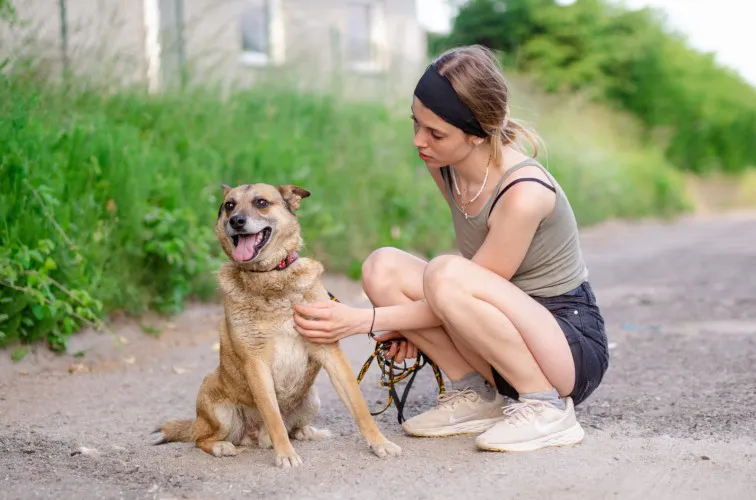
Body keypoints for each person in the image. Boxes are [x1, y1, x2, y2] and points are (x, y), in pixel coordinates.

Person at [293, 44, 609, 453]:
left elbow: (462, 286)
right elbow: (465, 297)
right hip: (502, 326)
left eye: (435, 133)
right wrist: (410, 324)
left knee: (446, 271)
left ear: (478, 134)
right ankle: (477, 395)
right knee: (382, 267)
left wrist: (362, 320)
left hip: (565, 344)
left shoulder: (523, 193)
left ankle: (545, 408)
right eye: (416, 124)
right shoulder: (445, 163)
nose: (418, 141)